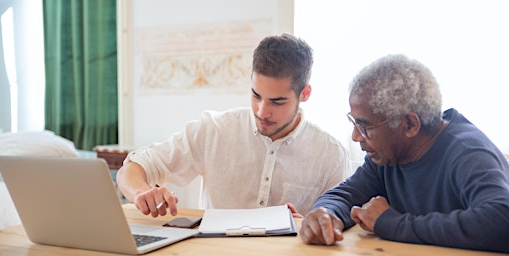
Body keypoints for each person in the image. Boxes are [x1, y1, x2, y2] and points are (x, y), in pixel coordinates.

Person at [116, 33, 349, 218]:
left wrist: (309, 226)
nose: (261, 111)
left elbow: (337, 222)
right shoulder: (214, 130)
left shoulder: (331, 155)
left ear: (305, 93)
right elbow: (133, 168)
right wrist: (141, 193)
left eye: (277, 102)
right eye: (256, 95)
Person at [300, 54, 509, 253]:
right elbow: (346, 195)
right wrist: (326, 214)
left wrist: (392, 223)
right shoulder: (387, 156)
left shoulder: (468, 153)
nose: (356, 136)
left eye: (365, 127)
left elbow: (501, 221)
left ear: (410, 125)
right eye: (354, 123)